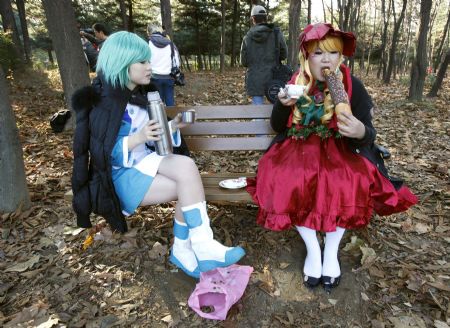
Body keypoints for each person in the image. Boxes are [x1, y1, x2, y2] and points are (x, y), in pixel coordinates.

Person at [246, 23, 417, 293]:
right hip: (299, 146)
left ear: (341, 58)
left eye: (333, 53)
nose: (326, 59)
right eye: (318, 53)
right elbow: (279, 127)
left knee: (346, 180)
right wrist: (282, 105)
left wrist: (360, 131)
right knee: (288, 178)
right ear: (306, 57)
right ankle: (314, 249)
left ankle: (332, 250)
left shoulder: (352, 85)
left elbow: (368, 132)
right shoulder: (296, 84)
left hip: (341, 148)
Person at [71, 31, 245, 279]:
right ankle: (196, 247)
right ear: (121, 63)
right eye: (142, 62)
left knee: (186, 170)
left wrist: (171, 127)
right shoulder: (103, 101)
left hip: (145, 163)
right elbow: (101, 158)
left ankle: (191, 248)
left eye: (149, 61)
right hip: (119, 177)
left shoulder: (142, 96)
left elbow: (158, 143)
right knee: (189, 184)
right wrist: (138, 138)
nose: (149, 67)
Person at [240, 5, 288, 105]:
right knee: (275, 110)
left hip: (254, 78)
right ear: (266, 18)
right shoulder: (276, 33)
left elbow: (243, 62)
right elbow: (284, 55)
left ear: (253, 19)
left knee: (257, 111)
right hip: (275, 76)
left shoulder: (247, 37)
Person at [147, 23, 180, 106]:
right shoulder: (170, 43)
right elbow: (177, 62)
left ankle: (159, 118)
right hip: (169, 76)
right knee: (170, 101)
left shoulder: (147, 44)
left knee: (157, 102)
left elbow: (145, 61)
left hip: (154, 77)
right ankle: (171, 118)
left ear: (150, 32)